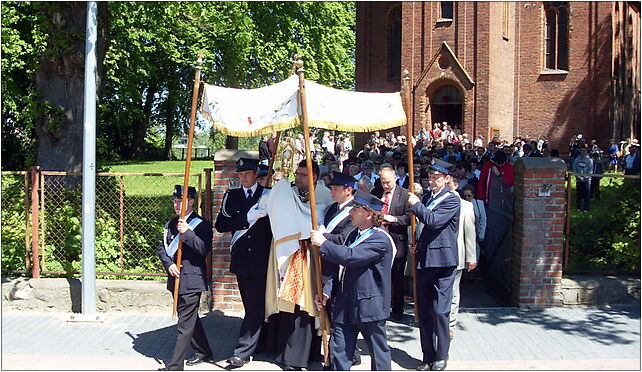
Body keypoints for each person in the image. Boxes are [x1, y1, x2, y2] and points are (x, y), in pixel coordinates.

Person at [310, 191, 394, 371]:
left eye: (355, 209)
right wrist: (327, 290)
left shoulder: (380, 239)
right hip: (345, 302)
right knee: (339, 351)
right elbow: (340, 267)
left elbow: (350, 257)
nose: (350, 213)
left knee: (378, 354)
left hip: (369, 305)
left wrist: (323, 243)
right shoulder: (353, 235)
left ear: (369, 213)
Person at [264, 160, 332, 370]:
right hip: (290, 255)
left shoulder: (322, 196)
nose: (299, 178)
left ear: (315, 177)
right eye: (298, 173)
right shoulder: (288, 194)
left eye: (304, 174)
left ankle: (310, 354)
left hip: (310, 256)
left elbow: (320, 222)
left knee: (309, 305)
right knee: (290, 305)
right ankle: (289, 356)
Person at [214, 158, 273, 368]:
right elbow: (221, 224)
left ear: (256, 173)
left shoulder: (268, 194)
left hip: (261, 257)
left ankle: (242, 351)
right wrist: (246, 218)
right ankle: (261, 342)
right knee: (250, 304)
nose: (244, 178)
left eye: (247, 173)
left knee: (255, 306)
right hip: (241, 258)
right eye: (240, 174)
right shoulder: (232, 196)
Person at [407, 158, 460, 371]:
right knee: (425, 311)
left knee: (440, 311)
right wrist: (417, 244)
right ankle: (427, 355)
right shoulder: (428, 197)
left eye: (436, 178)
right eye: (430, 177)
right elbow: (424, 227)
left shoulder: (451, 199)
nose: (432, 181)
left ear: (447, 179)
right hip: (425, 259)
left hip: (444, 262)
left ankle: (441, 355)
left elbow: (434, 221)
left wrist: (416, 205)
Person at [157, 185, 213, 371]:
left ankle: (175, 365)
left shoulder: (201, 224)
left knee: (184, 324)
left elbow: (203, 249)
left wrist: (188, 233)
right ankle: (204, 351)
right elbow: (161, 248)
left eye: (179, 201)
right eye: (174, 201)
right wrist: (169, 264)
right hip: (175, 278)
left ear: (190, 201)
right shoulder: (170, 224)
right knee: (189, 319)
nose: (175, 204)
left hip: (192, 280)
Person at [371, 166, 411, 321]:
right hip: (378, 238)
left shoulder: (404, 194)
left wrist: (393, 219)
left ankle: (398, 309)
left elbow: (409, 218)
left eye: (388, 182)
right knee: (379, 275)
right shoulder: (375, 192)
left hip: (396, 238)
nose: (385, 185)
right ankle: (381, 306)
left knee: (397, 277)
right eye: (382, 182)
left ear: (395, 178)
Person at [447, 178, 476, 340]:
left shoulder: (466, 206)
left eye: (450, 185)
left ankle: (450, 324)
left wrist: (471, 257)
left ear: (456, 186)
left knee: (453, 292)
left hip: (456, 255)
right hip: (438, 256)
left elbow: (470, 233)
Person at [573, 147, 593, 212]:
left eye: (584, 150)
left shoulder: (589, 160)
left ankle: (586, 208)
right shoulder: (577, 160)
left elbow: (590, 170)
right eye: (582, 150)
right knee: (579, 194)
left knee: (586, 194)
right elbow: (574, 169)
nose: (583, 152)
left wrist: (585, 177)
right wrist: (579, 177)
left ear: (587, 151)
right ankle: (579, 207)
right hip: (578, 180)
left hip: (587, 180)